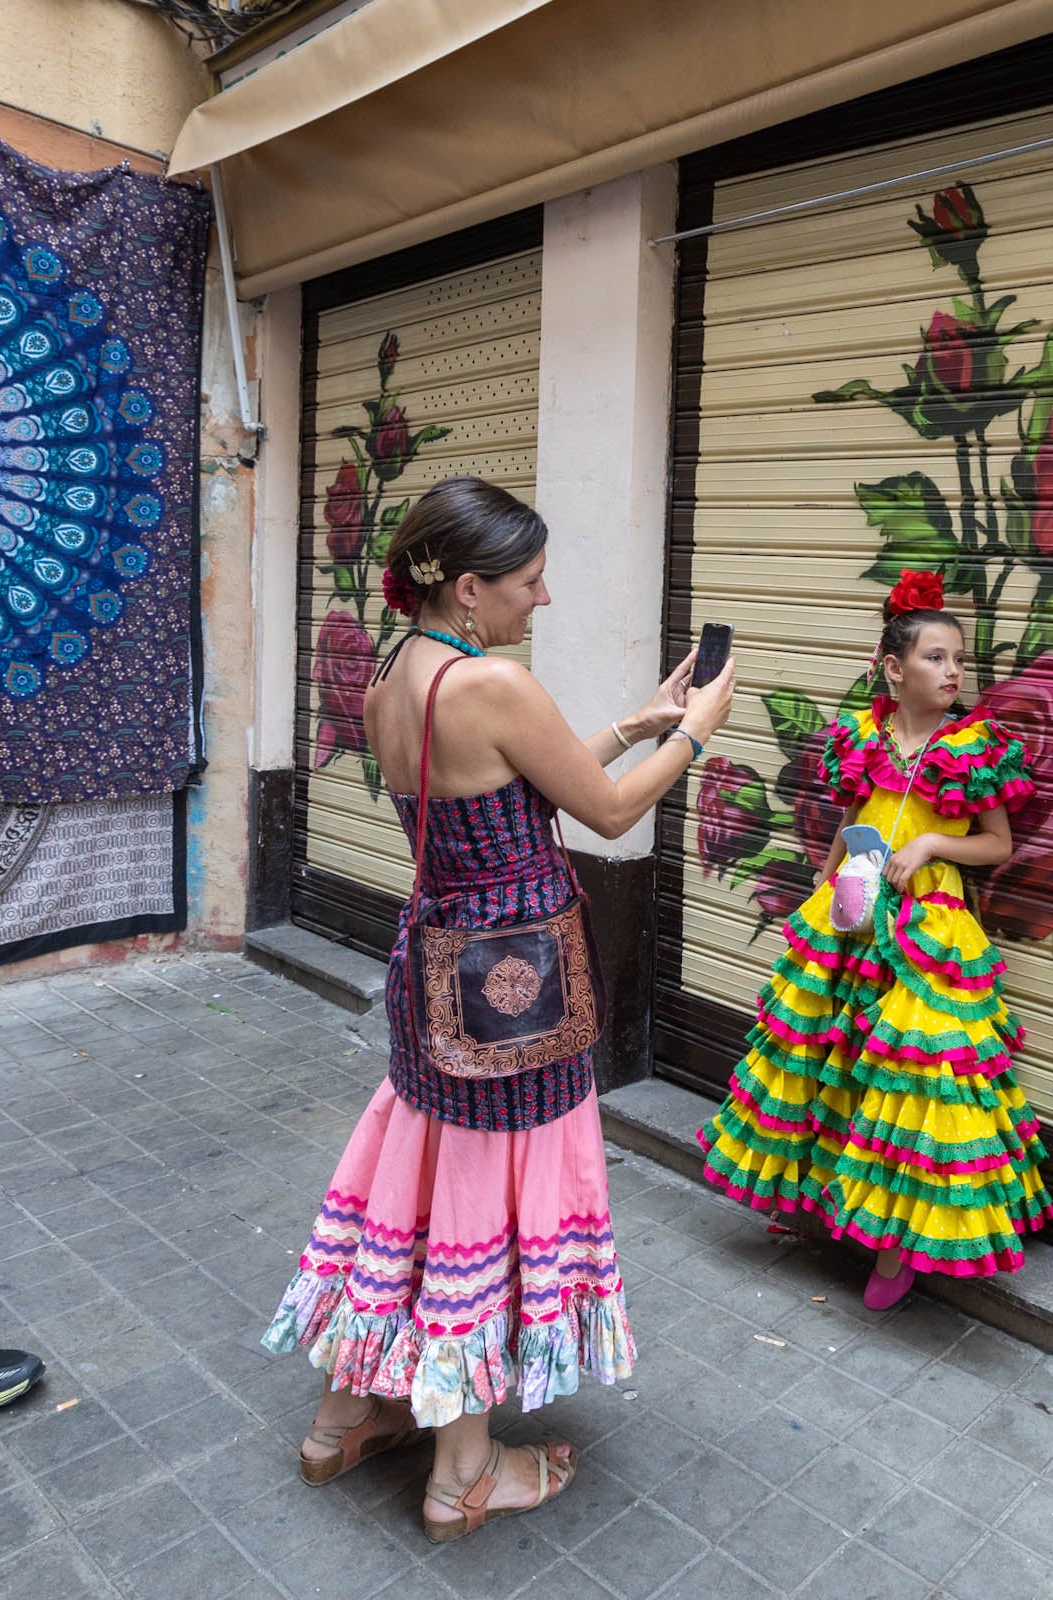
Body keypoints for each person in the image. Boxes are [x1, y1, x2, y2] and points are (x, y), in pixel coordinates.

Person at [263, 476, 734, 1542]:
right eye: (528, 581)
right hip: (516, 989)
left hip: (435, 971)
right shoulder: (497, 686)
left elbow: (525, 783)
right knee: (480, 1206)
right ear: (469, 589)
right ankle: (465, 1471)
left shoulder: (400, 673)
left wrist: (635, 720)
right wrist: (696, 732)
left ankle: (344, 1419)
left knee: (417, 1189)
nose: (546, 597)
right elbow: (606, 811)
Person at [698, 569, 1052, 1308]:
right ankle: (826, 1202)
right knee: (834, 1060)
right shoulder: (864, 736)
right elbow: (851, 825)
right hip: (855, 913)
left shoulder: (975, 748)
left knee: (919, 1080)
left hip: (932, 932)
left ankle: (901, 1245)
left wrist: (930, 849)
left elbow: (995, 844)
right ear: (894, 669)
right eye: (934, 657)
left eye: (959, 659)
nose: (952, 671)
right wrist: (824, 898)